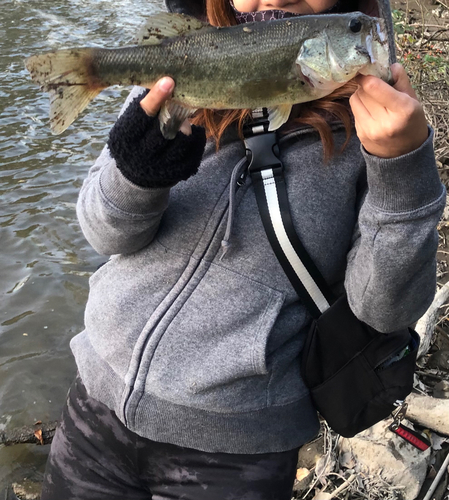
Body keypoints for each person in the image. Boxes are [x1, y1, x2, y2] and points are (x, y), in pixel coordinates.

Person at [40, 0, 445, 497]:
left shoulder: (377, 133)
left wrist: (401, 167)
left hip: (236, 451)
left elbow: (385, 311)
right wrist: (139, 167)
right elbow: (104, 234)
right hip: (94, 406)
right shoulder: (176, 73)